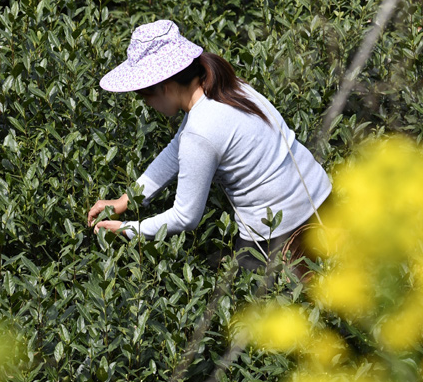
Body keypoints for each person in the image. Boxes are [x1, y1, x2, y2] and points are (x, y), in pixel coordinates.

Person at [86, 20, 331, 269]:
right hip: (321, 199)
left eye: (145, 96)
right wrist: (126, 200)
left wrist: (128, 230)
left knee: (241, 300)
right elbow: (176, 150)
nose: (147, 104)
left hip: (280, 230)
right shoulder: (226, 87)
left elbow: (185, 217)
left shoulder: (200, 130)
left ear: (166, 87)